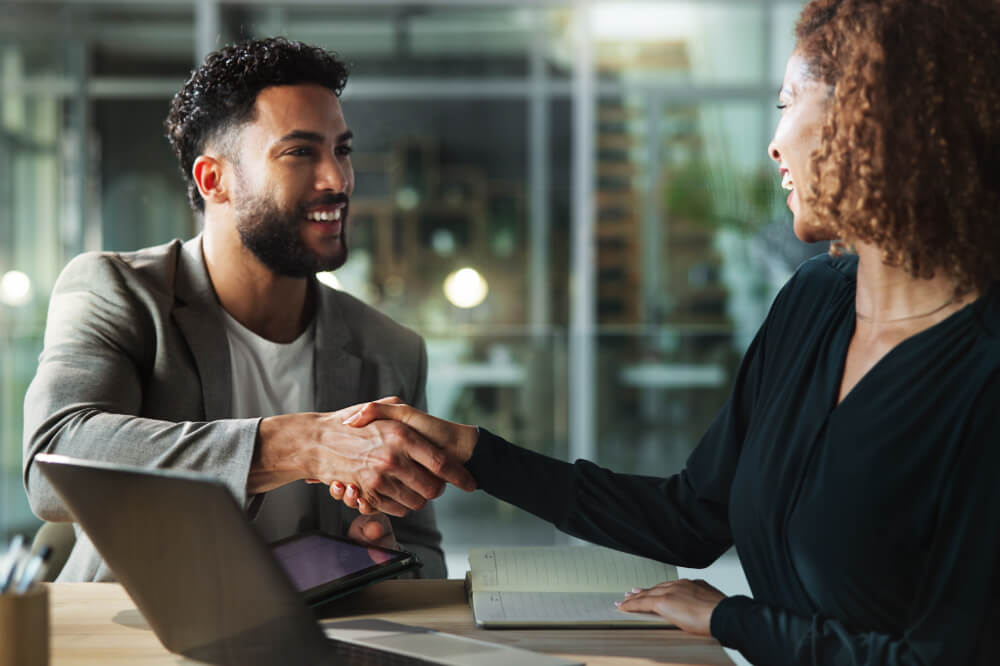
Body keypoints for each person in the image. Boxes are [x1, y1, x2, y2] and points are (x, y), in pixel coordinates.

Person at [327, 1, 1000, 663]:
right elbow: (692, 515)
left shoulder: (983, 371)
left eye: (788, 103)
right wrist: (473, 452)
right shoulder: (814, 303)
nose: (774, 142)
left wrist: (734, 620)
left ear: (874, 122)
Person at [22, 37, 473, 582]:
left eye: (343, 150)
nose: (337, 180)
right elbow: (55, 462)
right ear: (215, 180)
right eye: (301, 152)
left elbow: (424, 559)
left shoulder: (391, 350)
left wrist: (382, 560)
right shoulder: (117, 291)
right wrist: (304, 445)